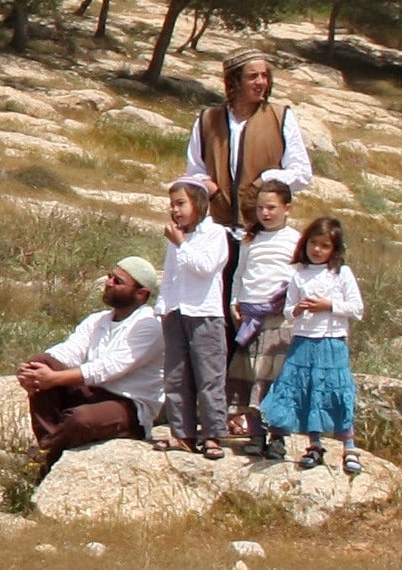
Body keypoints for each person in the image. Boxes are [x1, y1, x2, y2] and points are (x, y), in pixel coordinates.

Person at [184, 46, 313, 361]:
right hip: (218, 231)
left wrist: (267, 178)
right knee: (216, 309)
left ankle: (247, 395)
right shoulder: (208, 120)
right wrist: (210, 189)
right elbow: (194, 171)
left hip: (262, 233)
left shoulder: (280, 117)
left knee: (255, 313)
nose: (261, 82)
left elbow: (302, 173)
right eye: (253, 76)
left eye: (265, 75)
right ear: (234, 81)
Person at [17, 257, 164, 472]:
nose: (109, 283)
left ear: (141, 294)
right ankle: (50, 445)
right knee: (39, 363)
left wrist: (54, 378)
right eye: (110, 276)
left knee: (81, 419)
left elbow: (109, 368)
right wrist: (30, 370)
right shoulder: (98, 320)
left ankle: (47, 460)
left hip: (128, 404)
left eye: (118, 281)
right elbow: (69, 351)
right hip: (94, 392)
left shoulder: (150, 326)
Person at [258, 216, 364, 473]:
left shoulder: (341, 273)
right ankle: (314, 445)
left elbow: (357, 308)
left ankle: (349, 446)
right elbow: (287, 311)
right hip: (303, 341)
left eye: (324, 245)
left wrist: (328, 306)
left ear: (334, 249)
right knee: (306, 391)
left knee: (335, 390)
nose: (317, 250)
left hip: (331, 341)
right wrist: (299, 310)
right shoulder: (299, 275)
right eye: (313, 243)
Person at [153, 177, 229, 460]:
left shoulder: (215, 234)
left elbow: (206, 267)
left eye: (181, 203)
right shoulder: (177, 238)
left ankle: (212, 434)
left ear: (198, 203)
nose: (175, 210)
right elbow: (170, 275)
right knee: (176, 376)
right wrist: (164, 306)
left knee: (208, 375)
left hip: (204, 313)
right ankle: (182, 433)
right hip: (177, 312)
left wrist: (182, 244)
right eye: (172, 205)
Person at [226, 182, 300, 455]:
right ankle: (255, 434)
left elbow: (299, 277)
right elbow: (239, 273)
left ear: (287, 209)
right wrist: (235, 301)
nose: (265, 213)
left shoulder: (295, 240)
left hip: (278, 320)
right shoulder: (250, 239)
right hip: (250, 318)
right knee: (250, 379)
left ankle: (278, 436)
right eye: (260, 208)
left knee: (274, 379)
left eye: (271, 207)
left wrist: (290, 304)